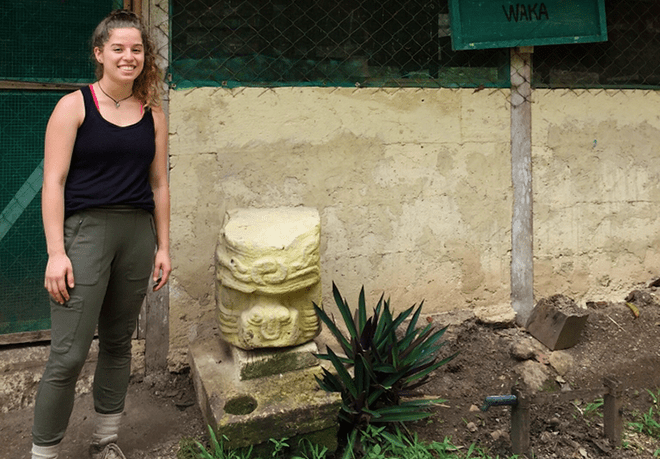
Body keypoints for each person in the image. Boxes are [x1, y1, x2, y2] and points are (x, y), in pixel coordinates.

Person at [31, 9, 170, 459]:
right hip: (85, 233)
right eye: (118, 49)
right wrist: (57, 252)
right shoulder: (74, 105)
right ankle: (43, 453)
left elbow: (159, 184)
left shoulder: (152, 115)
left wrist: (163, 246)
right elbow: (52, 181)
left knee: (117, 344)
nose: (129, 57)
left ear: (144, 55)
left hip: (137, 235)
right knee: (68, 354)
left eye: (137, 49)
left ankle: (105, 442)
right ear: (100, 53)